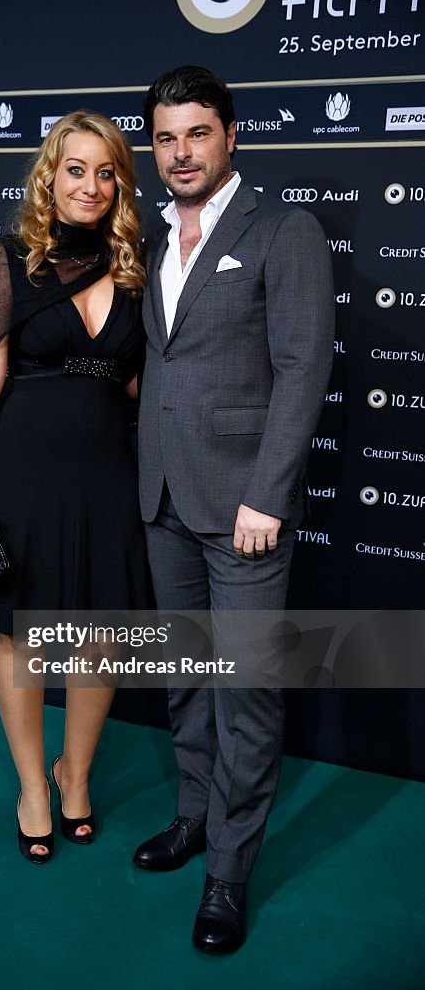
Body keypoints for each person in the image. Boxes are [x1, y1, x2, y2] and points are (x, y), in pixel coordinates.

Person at [133, 66, 334, 952]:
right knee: (187, 680)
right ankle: (190, 817)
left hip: (243, 506)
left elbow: (302, 369)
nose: (181, 153)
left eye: (197, 134)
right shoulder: (143, 239)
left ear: (230, 136)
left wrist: (269, 493)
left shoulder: (282, 230)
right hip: (162, 499)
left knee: (244, 691)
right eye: (166, 137)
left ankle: (227, 871)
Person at [0, 111, 148, 864]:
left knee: (99, 633)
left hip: (107, 472)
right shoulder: (10, 260)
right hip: (23, 469)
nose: (89, 186)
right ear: (49, 176)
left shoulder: (135, 264)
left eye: (105, 172)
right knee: (23, 633)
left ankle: (75, 775)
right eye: (75, 169)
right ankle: (32, 784)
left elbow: (137, 383)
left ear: (119, 183)